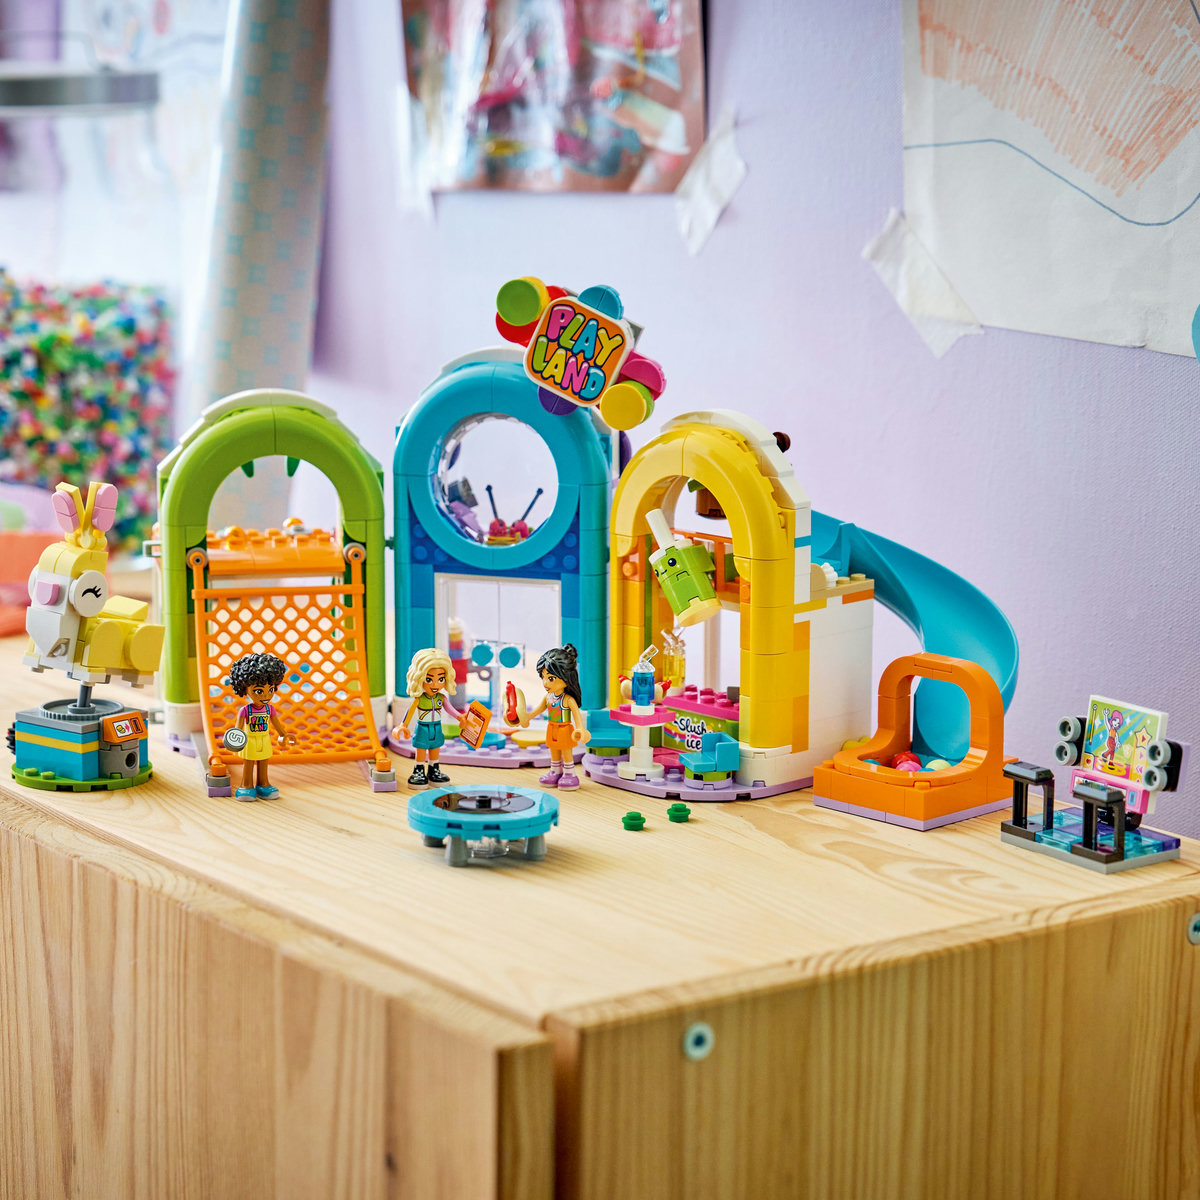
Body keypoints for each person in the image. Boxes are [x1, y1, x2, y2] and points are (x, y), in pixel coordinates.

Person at [508, 643, 590, 788]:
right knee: (553, 750)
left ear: (566, 677)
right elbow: (538, 710)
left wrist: (580, 729)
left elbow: (576, 715)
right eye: (543, 677)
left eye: (551, 678)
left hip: (565, 729)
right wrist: (525, 717)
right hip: (551, 728)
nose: (545, 683)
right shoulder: (548, 697)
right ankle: (555, 771)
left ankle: (570, 774)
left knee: (566, 751)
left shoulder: (568, 700)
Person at [227, 652, 294, 800]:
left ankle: (263, 784)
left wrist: (284, 735)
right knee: (249, 763)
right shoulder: (245, 710)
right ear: (244, 688)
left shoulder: (270, 709)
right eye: (259, 691)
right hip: (250, 740)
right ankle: (246, 785)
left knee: (264, 762)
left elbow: (276, 724)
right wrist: (234, 740)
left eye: (270, 690)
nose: (266, 696)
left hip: (264, 739)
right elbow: (238, 729)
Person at [398, 647, 461, 786]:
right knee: (421, 748)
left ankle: (434, 770)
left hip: (437, 727)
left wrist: (460, 718)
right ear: (419, 678)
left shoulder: (441, 697)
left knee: (435, 747)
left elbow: (450, 709)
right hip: (423, 728)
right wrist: (403, 725)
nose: (435, 684)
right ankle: (418, 770)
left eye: (441, 679)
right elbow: (410, 711)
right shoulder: (419, 699)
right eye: (429, 679)